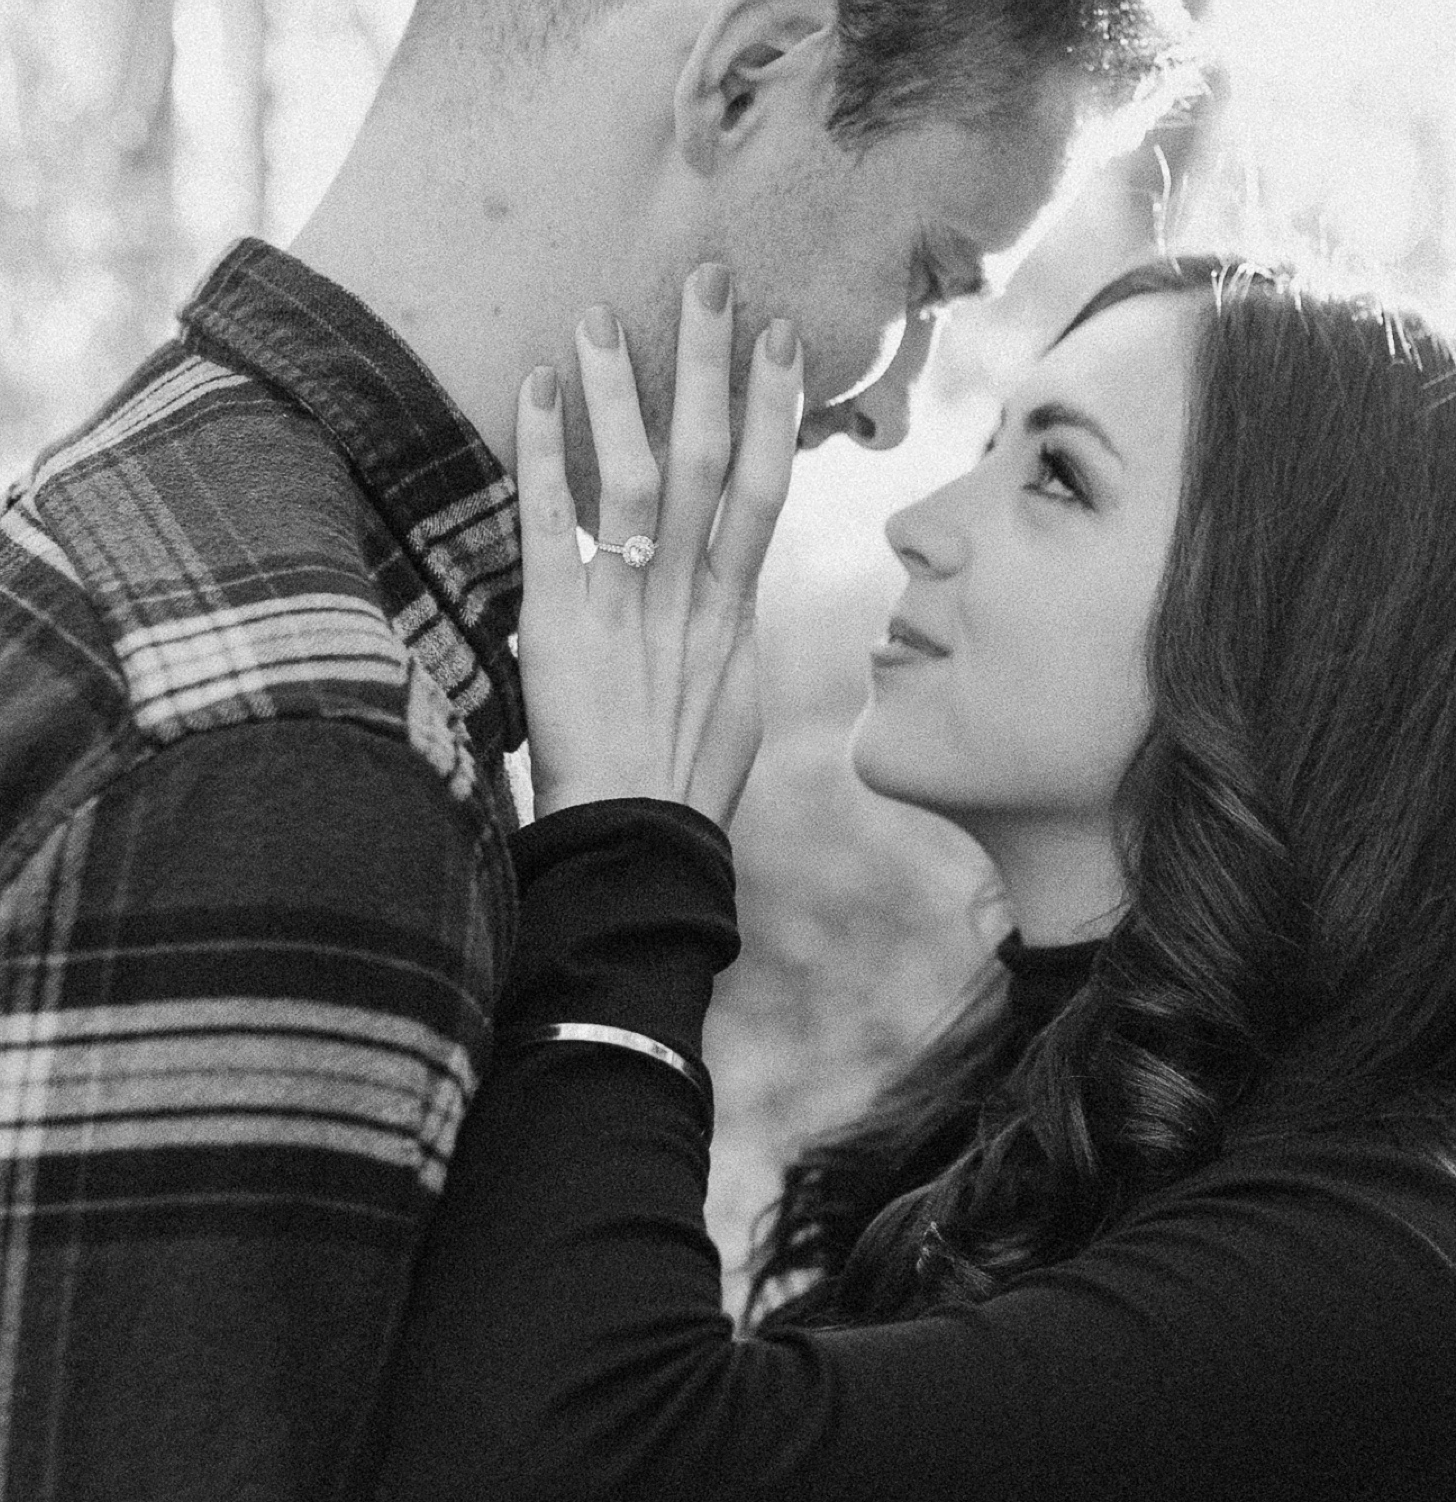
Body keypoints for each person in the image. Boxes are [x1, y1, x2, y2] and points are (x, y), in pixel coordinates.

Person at [0, 0, 1179, 1498]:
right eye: (927, 274)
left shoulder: (153, 511)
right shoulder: (295, 747)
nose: (883, 398)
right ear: (751, 75)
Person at [376, 255, 1456, 1501]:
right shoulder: (1034, 1124)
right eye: (991, 444)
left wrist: (629, 842)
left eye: (1056, 474)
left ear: (1292, 637)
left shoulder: (1370, 1273)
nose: (919, 519)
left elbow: (582, 1463)